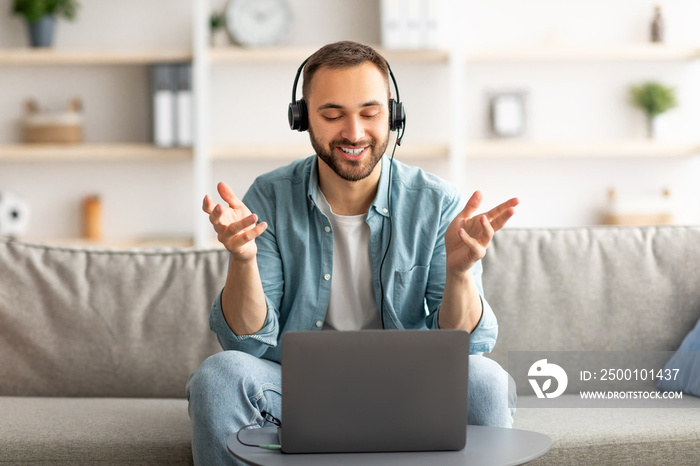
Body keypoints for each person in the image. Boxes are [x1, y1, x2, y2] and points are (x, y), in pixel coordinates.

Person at [186, 40, 519, 466]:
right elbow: (245, 342)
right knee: (219, 376)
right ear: (302, 118)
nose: (355, 132)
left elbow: (465, 346)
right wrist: (243, 260)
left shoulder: (437, 203)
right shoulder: (268, 196)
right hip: (297, 394)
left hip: (411, 390)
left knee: (485, 380)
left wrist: (459, 275)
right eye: (332, 114)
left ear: (393, 115)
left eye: (370, 112)